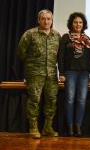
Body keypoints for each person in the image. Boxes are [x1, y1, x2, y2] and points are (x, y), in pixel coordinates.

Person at [17, 9, 61, 139]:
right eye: (43, 19)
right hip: (35, 74)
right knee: (34, 100)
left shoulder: (57, 35)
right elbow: (21, 53)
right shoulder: (30, 34)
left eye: (49, 19)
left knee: (51, 101)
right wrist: (33, 64)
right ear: (38, 20)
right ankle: (33, 127)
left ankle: (47, 127)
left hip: (52, 74)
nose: (46, 21)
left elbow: (59, 56)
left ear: (52, 21)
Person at [58, 12, 90, 136]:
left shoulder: (87, 39)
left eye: (80, 22)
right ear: (71, 23)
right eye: (75, 22)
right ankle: (69, 126)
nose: (78, 24)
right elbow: (60, 56)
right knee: (69, 99)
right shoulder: (65, 37)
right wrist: (61, 72)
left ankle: (78, 126)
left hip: (84, 74)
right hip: (70, 73)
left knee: (81, 100)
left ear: (83, 24)